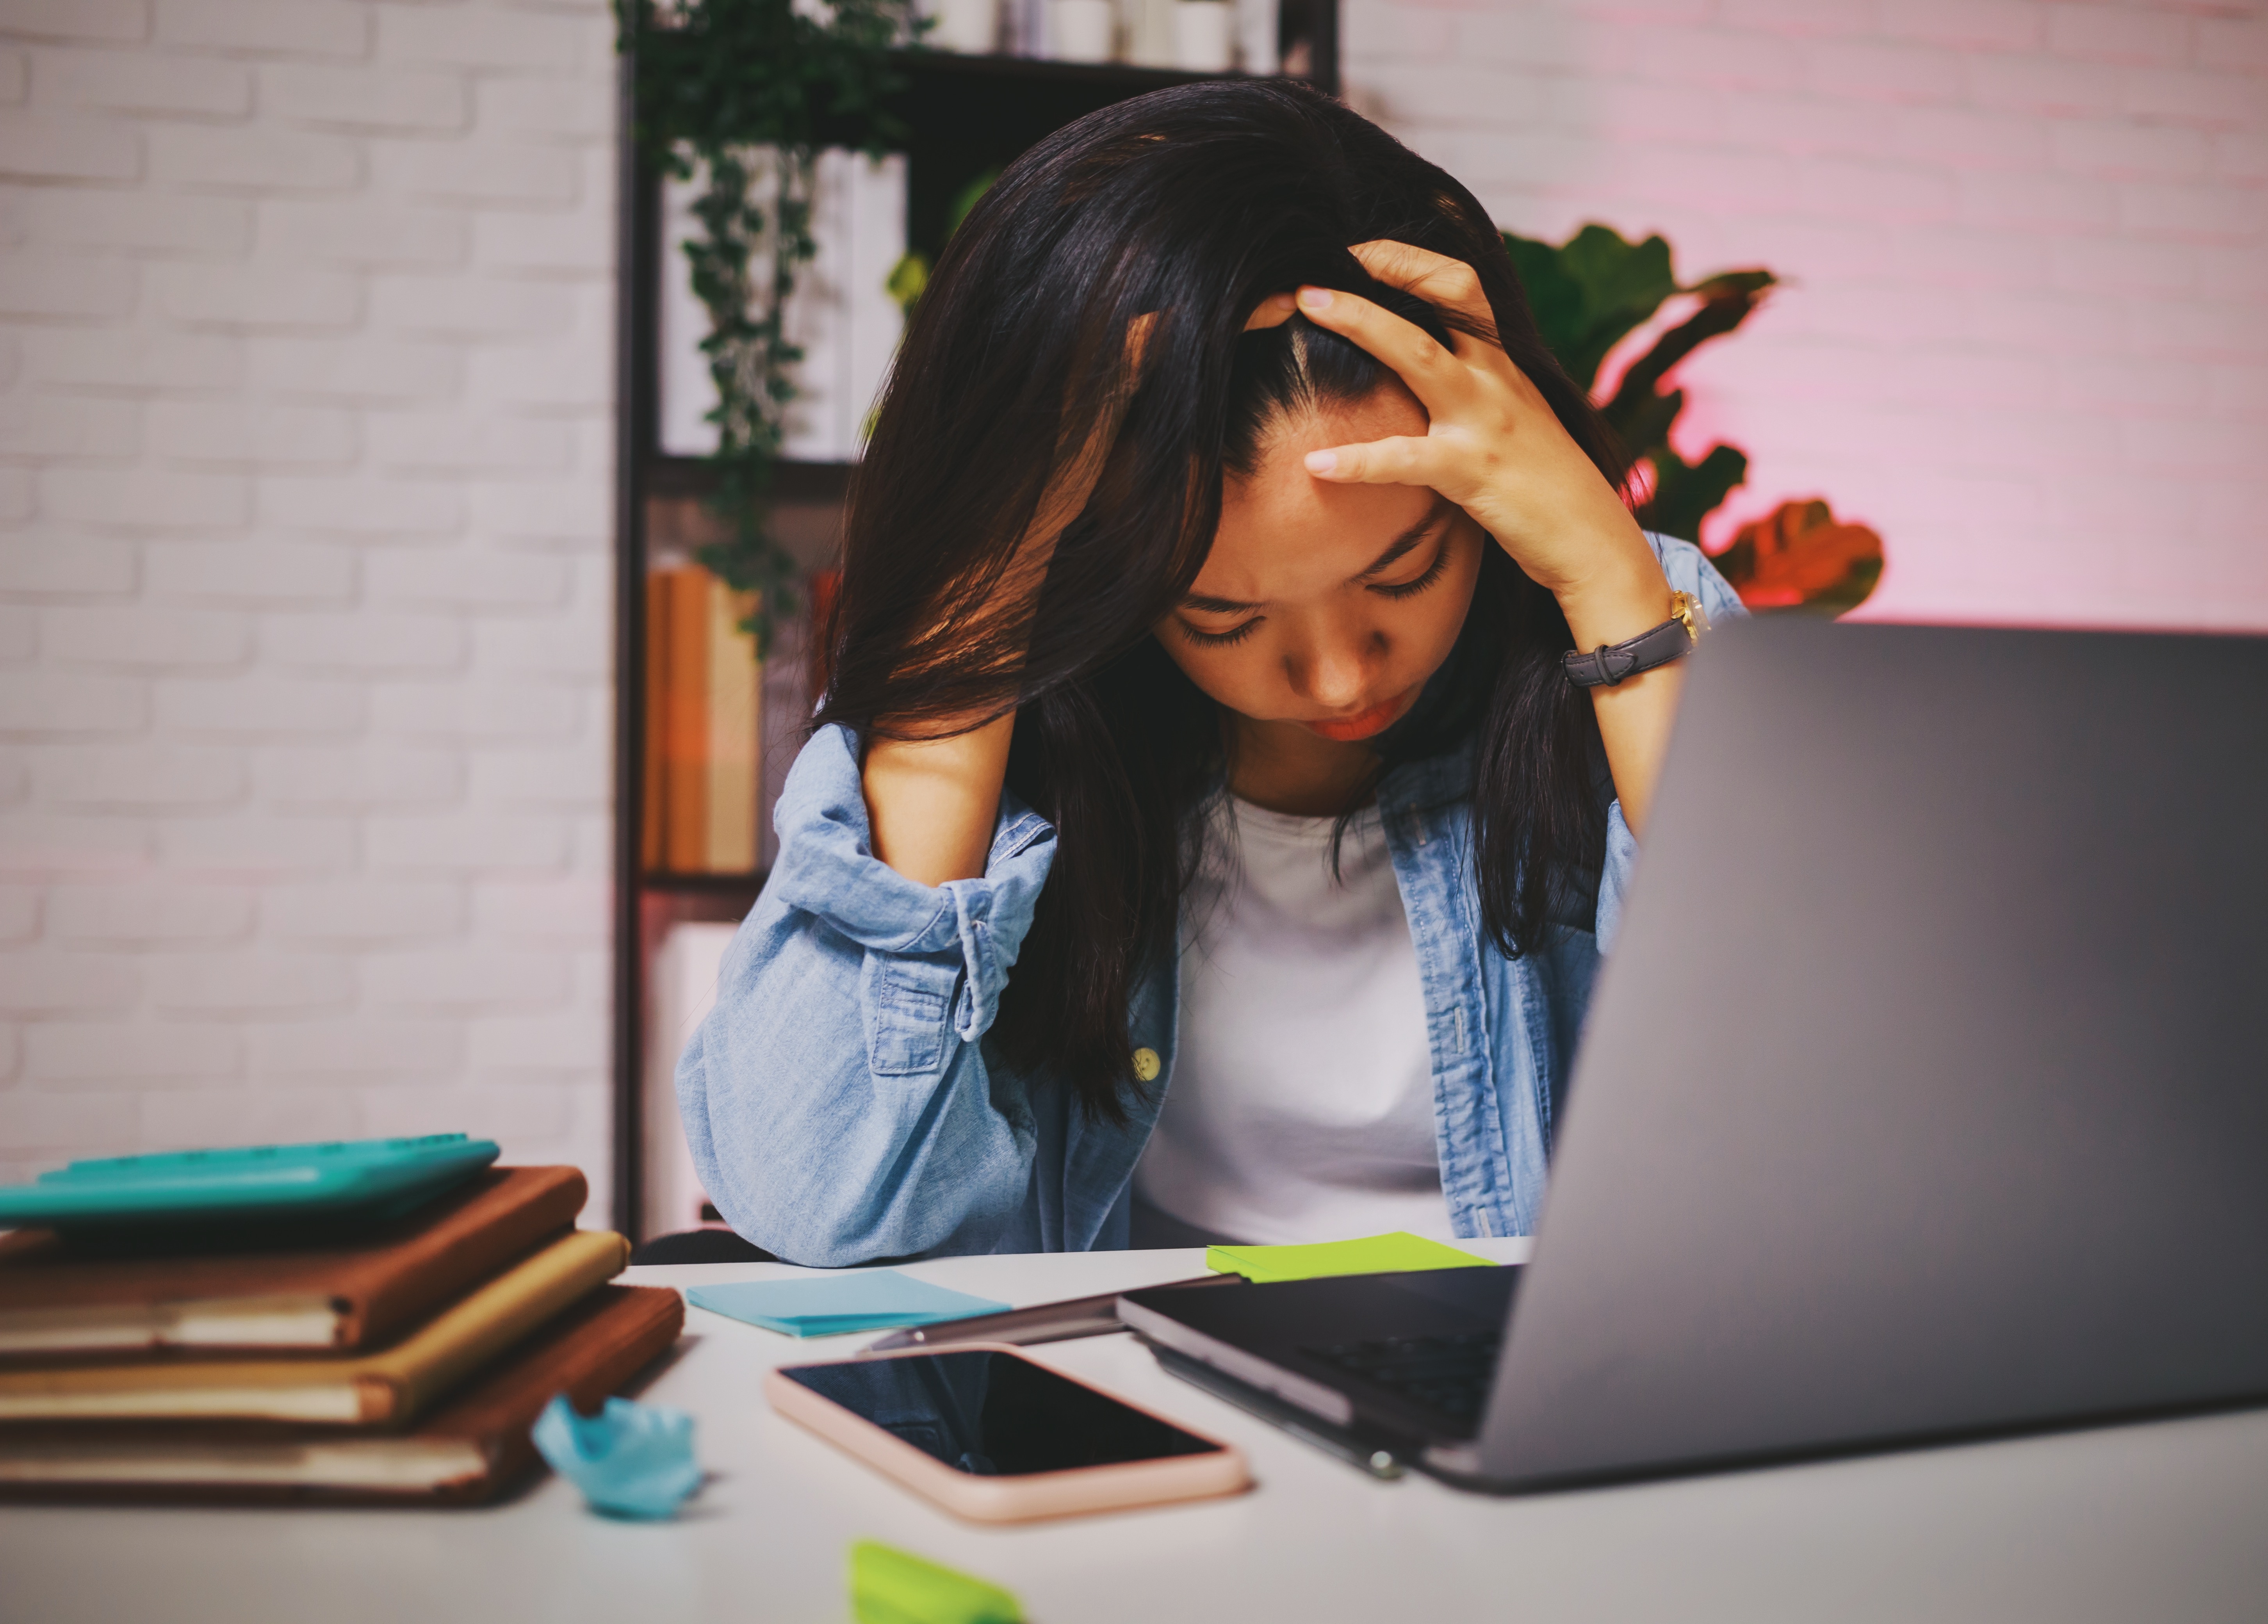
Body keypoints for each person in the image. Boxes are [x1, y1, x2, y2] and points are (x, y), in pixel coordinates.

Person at [678, 79, 1745, 1265]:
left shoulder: (1636, 625)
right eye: (1224, 618)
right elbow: (813, 1204)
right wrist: (975, 627)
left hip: (1540, 1392)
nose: (1339, 678)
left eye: (1401, 575)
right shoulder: (1002, 703)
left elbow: (1801, 1125)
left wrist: (1614, 593)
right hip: (1146, 1391)